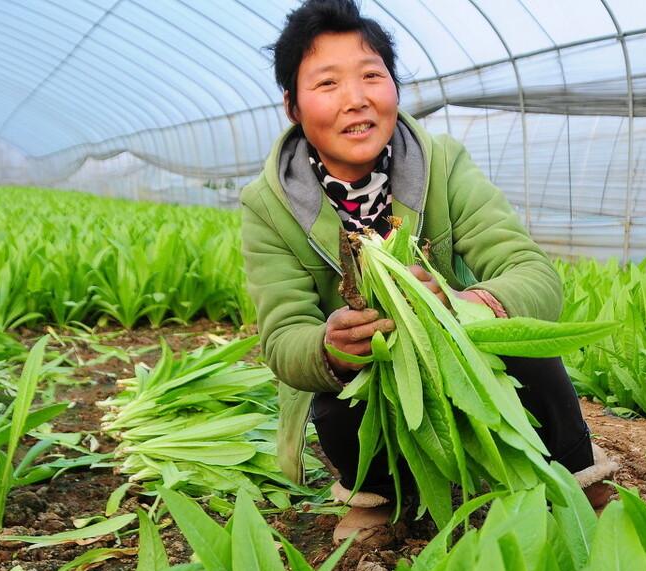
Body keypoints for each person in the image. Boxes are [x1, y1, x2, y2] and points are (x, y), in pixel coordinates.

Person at [242, 0, 616, 542]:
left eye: (372, 76)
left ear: (393, 86)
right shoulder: (269, 204)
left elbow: (531, 272)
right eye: (327, 84)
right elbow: (282, 338)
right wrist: (331, 347)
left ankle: (579, 479)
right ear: (293, 107)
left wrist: (460, 304)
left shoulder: (441, 163)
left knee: (529, 347)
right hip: (367, 375)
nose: (356, 99)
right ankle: (379, 496)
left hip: (459, 352)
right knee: (337, 400)